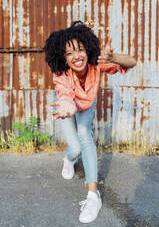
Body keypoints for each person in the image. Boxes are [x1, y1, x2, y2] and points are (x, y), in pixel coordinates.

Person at [44, 21, 136, 224]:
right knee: (75, 148)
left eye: (80, 50)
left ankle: (93, 197)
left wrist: (114, 58)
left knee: (85, 135)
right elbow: (65, 94)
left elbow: (131, 62)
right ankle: (69, 160)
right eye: (69, 53)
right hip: (67, 104)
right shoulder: (61, 74)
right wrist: (67, 106)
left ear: (88, 49)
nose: (76, 57)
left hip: (87, 103)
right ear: (63, 58)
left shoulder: (96, 63)